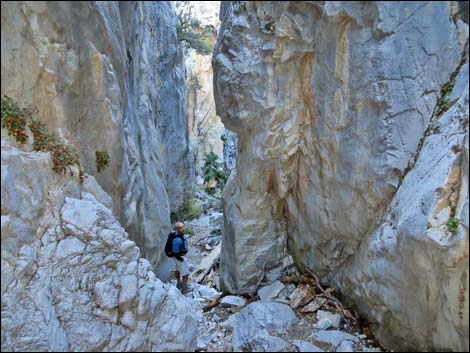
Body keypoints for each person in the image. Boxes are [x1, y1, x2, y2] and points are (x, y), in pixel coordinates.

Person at [170, 221, 190, 293]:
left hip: (175, 258)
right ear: (177, 229)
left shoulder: (177, 235)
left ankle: (179, 283)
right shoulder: (177, 239)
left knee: (177, 270)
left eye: (183, 227)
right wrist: (181, 259)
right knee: (186, 273)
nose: (183, 229)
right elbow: (175, 252)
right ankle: (184, 288)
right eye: (181, 228)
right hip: (179, 257)